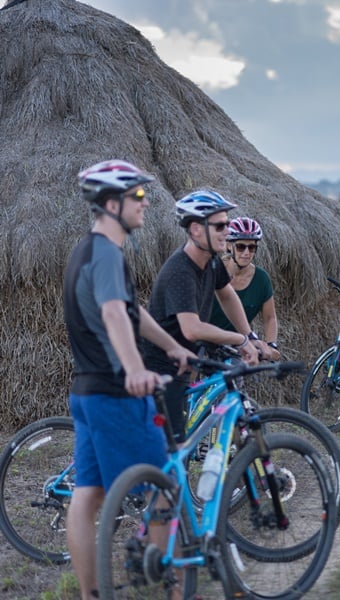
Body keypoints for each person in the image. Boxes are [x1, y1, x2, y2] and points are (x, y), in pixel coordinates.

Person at [64, 160, 194, 600]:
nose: (145, 203)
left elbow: (133, 312)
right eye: (138, 196)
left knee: (88, 496)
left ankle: (92, 594)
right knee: (163, 489)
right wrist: (136, 369)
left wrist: (173, 346)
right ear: (111, 203)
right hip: (119, 394)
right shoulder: (105, 253)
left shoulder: (87, 251)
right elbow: (115, 313)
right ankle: (173, 591)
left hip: (87, 393)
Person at [143, 190, 265, 442]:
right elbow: (192, 329)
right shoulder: (180, 269)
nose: (227, 231)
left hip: (184, 363)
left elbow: (227, 295)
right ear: (196, 229)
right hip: (160, 368)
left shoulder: (210, 261)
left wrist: (250, 335)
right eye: (220, 226)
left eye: (228, 224)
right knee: (169, 452)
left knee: (179, 446)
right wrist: (239, 341)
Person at [208, 216, 280, 361]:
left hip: (234, 345)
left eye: (252, 247)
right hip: (204, 336)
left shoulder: (261, 279)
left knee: (232, 382)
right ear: (229, 246)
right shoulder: (212, 270)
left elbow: (270, 317)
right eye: (241, 246)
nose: (246, 253)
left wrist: (271, 345)